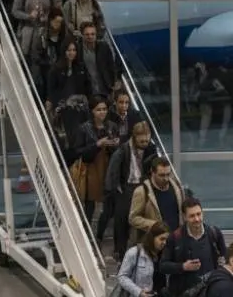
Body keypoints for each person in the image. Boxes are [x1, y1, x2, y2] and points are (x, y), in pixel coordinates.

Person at [103, 120, 157, 258]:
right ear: (135, 137)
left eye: (147, 140)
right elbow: (113, 170)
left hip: (143, 185)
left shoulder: (151, 148)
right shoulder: (123, 149)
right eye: (142, 141)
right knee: (121, 220)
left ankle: (143, 250)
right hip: (126, 187)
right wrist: (116, 189)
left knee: (143, 218)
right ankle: (120, 251)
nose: (145, 144)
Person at [68, 97, 120, 230]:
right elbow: (78, 151)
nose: (102, 112)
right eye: (99, 110)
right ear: (92, 111)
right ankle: (86, 231)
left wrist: (114, 144)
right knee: (90, 203)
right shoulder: (84, 128)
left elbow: (117, 150)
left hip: (108, 166)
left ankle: (101, 232)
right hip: (91, 168)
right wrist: (97, 144)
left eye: (104, 109)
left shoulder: (112, 126)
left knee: (110, 201)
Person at [128, 156, 184, 249]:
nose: (166, 178)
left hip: (174, 242)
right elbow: (133, 218)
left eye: (168, 174)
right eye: (162, 175)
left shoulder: (176, 187)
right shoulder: (142, 191)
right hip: (153, 245)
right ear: (152, 172)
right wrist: (155, 226)